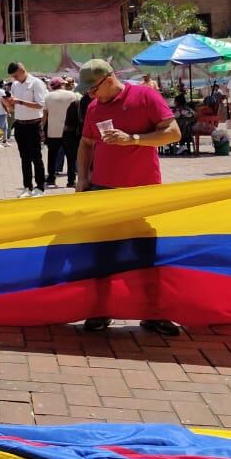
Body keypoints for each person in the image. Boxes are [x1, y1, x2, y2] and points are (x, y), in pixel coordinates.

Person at [74, 59, 181, 337]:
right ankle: (100, 311)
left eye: (92, 89)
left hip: (140, 191)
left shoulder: (145, 95)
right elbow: (86, 143)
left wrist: (132, 139)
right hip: (102, 191)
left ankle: (153, 313)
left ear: (108, 79)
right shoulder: (95, 108)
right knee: (101, 255)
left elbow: (173, 133)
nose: (90, 95)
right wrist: (82, 178)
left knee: (145, 255)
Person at [6, 62, 48, 197]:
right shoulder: (15, 85)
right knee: (24, 158)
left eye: (16, 75)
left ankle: (40, 187)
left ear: (22, 70)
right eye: (13, 77)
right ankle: (27, 187)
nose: (15, 79)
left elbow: (40, 105)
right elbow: (14, 107)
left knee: (36, 157)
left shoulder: (36, 83)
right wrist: (8, 103)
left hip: (33, 124)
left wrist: (19, 101)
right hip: (20, 125)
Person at [42, 77, 80, 187]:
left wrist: (41, 130)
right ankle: (71, 180)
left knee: (52, 156)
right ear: (62, 84)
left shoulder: (48, 96)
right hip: (69, 130)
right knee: (71, 157)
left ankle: (51, 179)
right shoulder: (73, 95)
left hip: (53, 131)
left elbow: (45, 115)